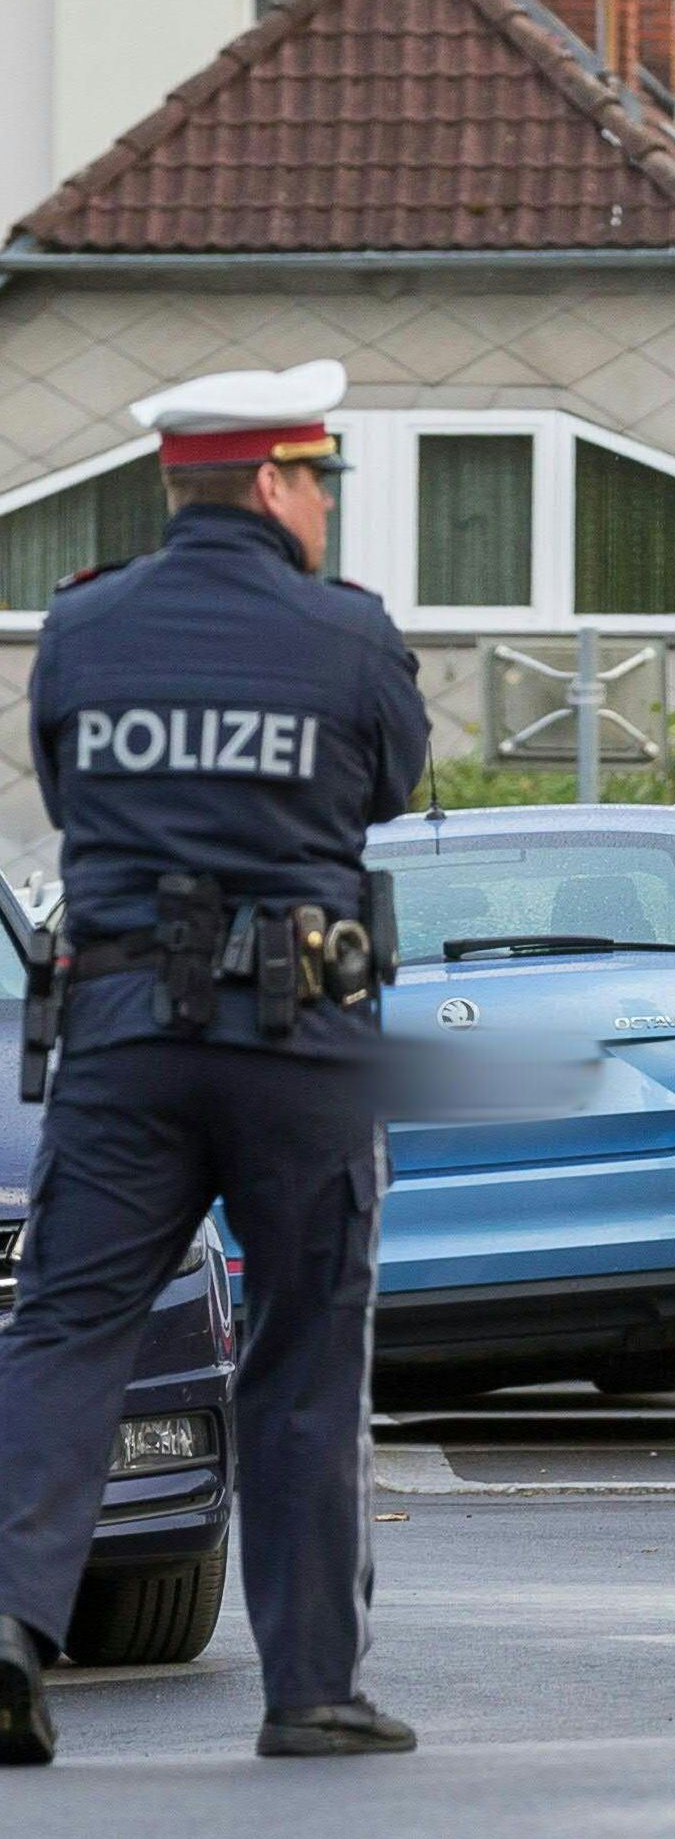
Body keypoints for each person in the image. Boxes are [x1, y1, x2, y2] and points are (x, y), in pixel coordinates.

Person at [0, 359, 430, 1763]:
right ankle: (312, 1688)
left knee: (67, 1329)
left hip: (124, 1033)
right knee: (304, 1349)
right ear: (269, 483)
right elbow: (390, 785)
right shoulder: (347, 635)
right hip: (299, 1039)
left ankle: (6, 1631)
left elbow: (69, 792)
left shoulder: (80, 629)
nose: (323, 506)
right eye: (318, 482)